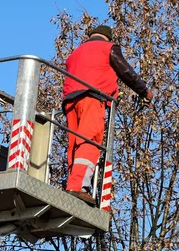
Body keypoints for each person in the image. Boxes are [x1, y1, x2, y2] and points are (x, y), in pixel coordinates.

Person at [63, 24, 153, 205]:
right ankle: (78, 186)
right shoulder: (108, 48)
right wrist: (144, 91)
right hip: (92, 98)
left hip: (70, 101)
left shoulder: (76, 52)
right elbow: (125, 71)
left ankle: (73, 184)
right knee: (90, 140)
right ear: (108, 38)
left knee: (74, 144)